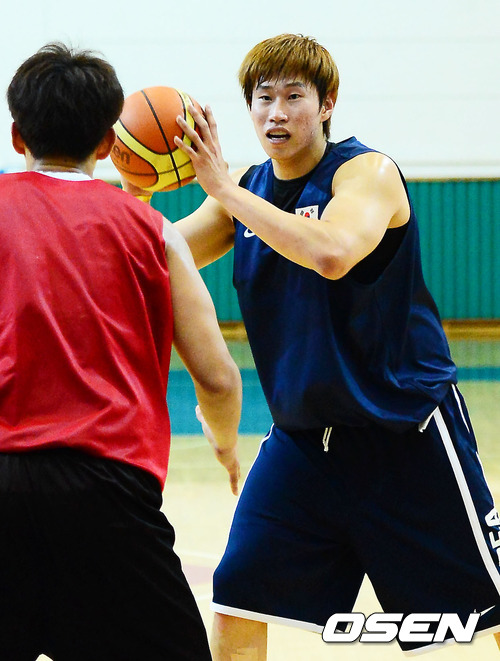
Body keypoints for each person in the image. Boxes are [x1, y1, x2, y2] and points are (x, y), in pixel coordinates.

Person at [127, 33, 500, 659]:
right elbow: (153, 259)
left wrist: (225, 192)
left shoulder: (366, 173)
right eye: (263, 98)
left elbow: (331, 252)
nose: (276, 113)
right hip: (303, 444)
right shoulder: (247, 190)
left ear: (326, 104)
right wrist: (128, 195)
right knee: (237, 599)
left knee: (489, 607)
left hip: (404, 434)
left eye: (293, 97)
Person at [0, 43, 242, 661]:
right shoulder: (151, 231)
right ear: (109, 143)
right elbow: (218, 377)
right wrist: (224, 445)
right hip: (106, 493)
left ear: (16, 134)